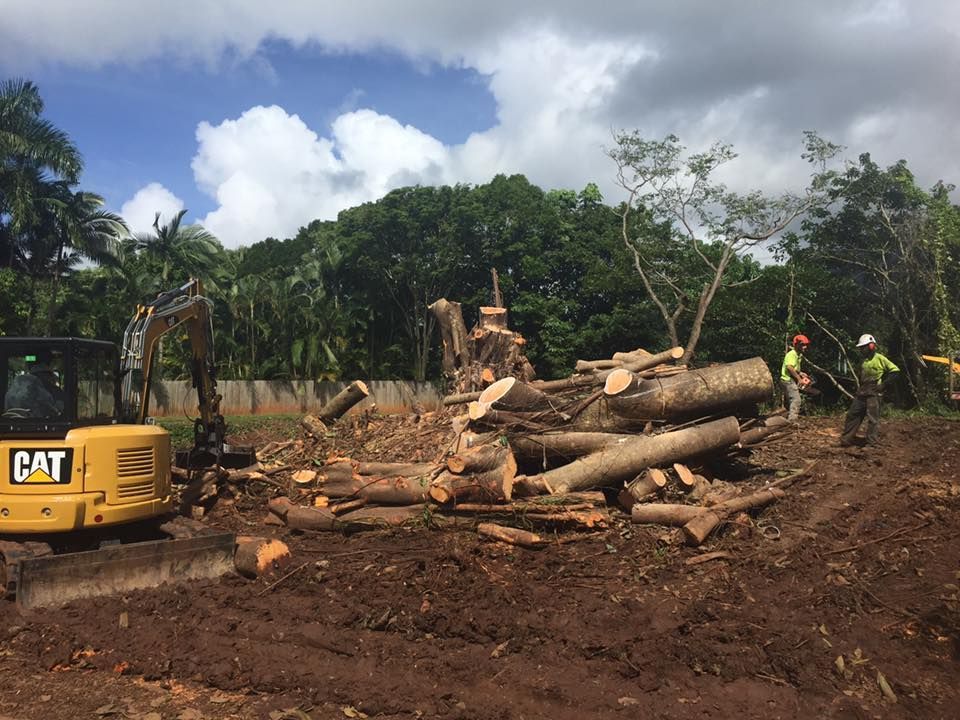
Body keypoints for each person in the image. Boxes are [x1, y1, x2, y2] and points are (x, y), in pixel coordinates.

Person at [840, 334, 899, 447]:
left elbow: (895, 371)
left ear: (871, 346)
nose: (861, 350)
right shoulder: (863, 360)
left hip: (873, 392)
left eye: (863, 347)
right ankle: (846, 439)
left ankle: (872, 442)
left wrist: (884, 384)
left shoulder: (880, 358)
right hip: (862, 391)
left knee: (872, 418)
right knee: (853, 414)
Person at [780, 334, 811, 421]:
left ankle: (782, 421)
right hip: (787, 380)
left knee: (789, 403)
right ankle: (792, 422)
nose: (805, 347)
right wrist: (799, 379)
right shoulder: (792, 354)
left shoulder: (798, 355)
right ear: (796, 345)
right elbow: (789, 367)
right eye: (802, 345)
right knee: (796, 400)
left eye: (806, 345)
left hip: (789, 380)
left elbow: (793, 367)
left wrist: (801, 373)